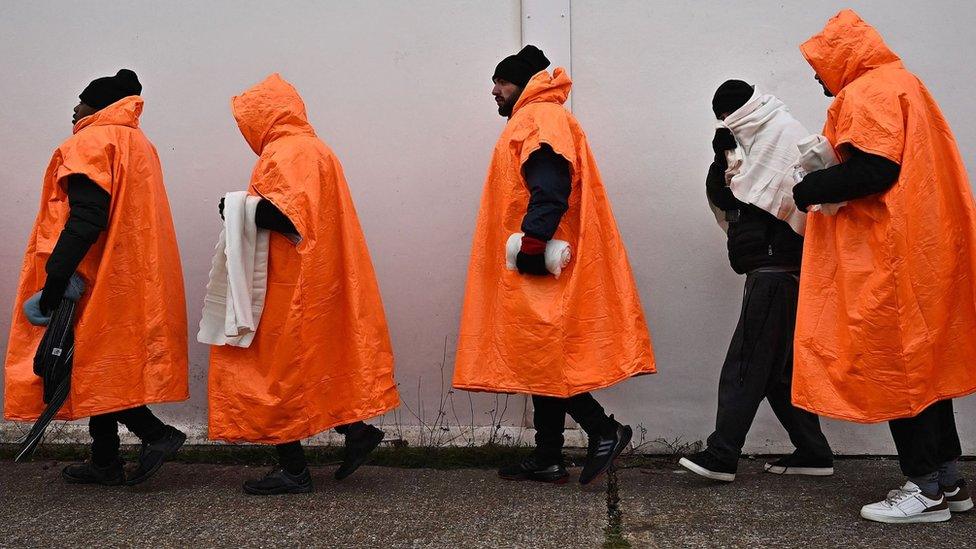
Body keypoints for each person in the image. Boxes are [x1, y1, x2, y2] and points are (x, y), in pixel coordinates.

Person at [793, 9, 976, 523]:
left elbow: (875, 170)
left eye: (818, 64)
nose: (816, 75)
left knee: (899, 373)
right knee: (926, 374)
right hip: (922, 250)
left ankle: (923, 490)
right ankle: (949, 482)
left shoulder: (867, 92)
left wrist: (808, 188)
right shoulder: (905, 84)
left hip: (887, 256)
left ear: (841, 56)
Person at [453, 46, 656, 485]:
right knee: (539, 355)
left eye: (501, 82)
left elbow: (550, 183)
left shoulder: (538, 120)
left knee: (543, 355)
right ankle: (547, 457)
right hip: (543, 255)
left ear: (523, 83)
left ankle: (604, 430)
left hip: (541, 258)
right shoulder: (542, 118)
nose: (494, 90)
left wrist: (532, 241)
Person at [207, 73, 399, 495]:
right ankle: (355, 431)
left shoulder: (286, 152)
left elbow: (288, 217)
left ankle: (293, 470)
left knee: (272, 372)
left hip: (289, 283)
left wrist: (235, 206)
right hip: (320, 276)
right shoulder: (316, 149)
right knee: (315, 362)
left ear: (263, 115)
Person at [4, 69, 189, 486]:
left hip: (96, 274)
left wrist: (56, 275)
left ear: (100, 105)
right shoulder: (139, 144)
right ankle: (104, 459)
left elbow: (88, 215)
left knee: (87, 362)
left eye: (81, 100)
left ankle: (157, 435)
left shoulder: (90, 141)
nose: (74, 107)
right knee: (103, 363)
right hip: (133, 274)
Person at [678, 80, 833, 482]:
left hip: (776, 268)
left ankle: (722, 454)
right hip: (769, 268)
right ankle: (814, 452)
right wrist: (721, 158)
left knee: (746, 362)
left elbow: (770, 199)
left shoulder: (783, 137)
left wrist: (732, 163)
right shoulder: (747, 144)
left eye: (725, 114)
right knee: (777, 369)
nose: (723, 122)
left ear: (741, 110)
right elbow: (725, 195)